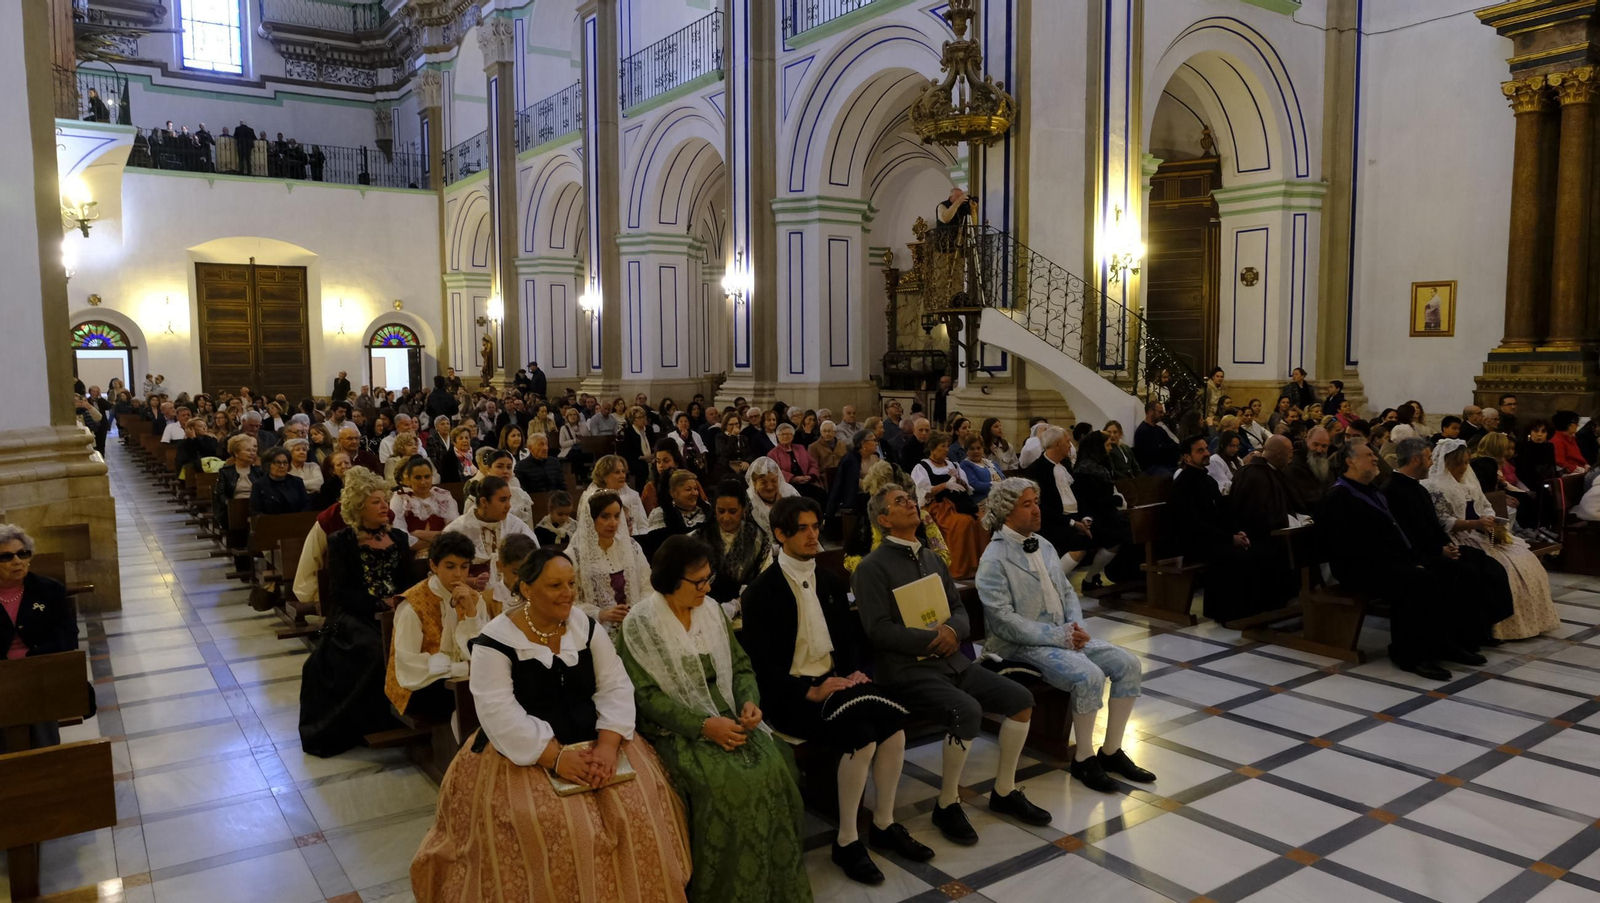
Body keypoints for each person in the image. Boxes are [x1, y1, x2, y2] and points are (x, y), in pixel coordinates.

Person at [410, 548, 693, 903]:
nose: (569, 592)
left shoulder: (585, 627)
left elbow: (615, 685)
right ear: (527, 590)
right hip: (526, 754)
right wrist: (556, 758)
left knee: (640, 812)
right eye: (555, 585)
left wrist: (607, 745)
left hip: (597, 743)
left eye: (571, 583)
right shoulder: (496, 641)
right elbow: (498, 712)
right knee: (567, 829)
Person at [740, 498, 932, 881]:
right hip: (790, 698)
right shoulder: (760, 592)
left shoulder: (829, 579)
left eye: (816, 526)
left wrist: (854, 673)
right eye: (804, 529)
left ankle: (883, 822)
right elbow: (760, 664)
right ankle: (846, 842)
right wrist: (806, 690)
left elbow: (847, 642)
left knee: (893, 728)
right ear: (780, 535)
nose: (814, 535)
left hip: (836, 685)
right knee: (861, 736)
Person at [614, 536, 812, 902]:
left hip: (729, 716)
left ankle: (776, 887)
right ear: (671, 581)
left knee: (776, 767)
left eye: (709, 578)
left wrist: (749, 703)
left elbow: (740, 666)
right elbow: (645, 696)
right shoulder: (640, 625)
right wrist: (704, 726)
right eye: (699, 582)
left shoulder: (712, 612)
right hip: (677, 730)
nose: (708, 587)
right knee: (726, 785)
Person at [852, 485, 1050, 843]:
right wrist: (933, 638)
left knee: (1021, 700)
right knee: (968, 711)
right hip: (907, 671)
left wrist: (951, 631)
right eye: (900, 502)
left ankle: (1004, 791)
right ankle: (947, 803)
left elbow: (958, 610)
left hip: (951, 662)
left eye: (910, 498)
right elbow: (877, 630)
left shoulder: (930, 559)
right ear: (884, 520)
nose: (911, 503)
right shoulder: (871, 568)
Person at [975, 479, 1156, 792]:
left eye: (1036, 502)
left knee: (1128, 663)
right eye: (1026, 504)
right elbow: (1004, 622)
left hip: (1062, 635)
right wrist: (1059, 635)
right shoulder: (994, 558)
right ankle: (1084, 759)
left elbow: (1067, 592)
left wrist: (1075, 627)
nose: (1036, 510)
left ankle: (1111, 752)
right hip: (1020, 646)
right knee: (1088, 675)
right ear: (1006, 513)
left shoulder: (1043, 544)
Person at [1318, 441, 1487, 681]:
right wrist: (1407, 563)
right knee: (1419, 579)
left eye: (1374, 454)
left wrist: (1417, 558)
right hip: (1358, 568)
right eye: (1369, 455)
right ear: (1350, 461)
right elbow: (1352, 547)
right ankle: (1409, 654)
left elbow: (1396, 535)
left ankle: (1445, 643)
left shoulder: (1371, 491)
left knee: (1453, 570)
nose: (1376, 458)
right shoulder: (1339, 497)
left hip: (1387, 561)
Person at [299, 468, 409, 756]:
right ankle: (368, 722)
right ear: (358, 507)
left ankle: (407, 714)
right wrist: (378, 604)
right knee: (371, 649)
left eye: (385, 500)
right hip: (353, 615)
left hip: (399, 611)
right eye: (376, 502)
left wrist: (400, 602)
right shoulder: (342, 541)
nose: (385, 506)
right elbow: (341, 591)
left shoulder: (398, 538)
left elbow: (409, 583)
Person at [1423, 439, 1559, 641]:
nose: (1464, 467)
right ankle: (1493, 628)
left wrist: (1491, 518)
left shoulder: (1469, 482)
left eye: (1467, 462)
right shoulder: (1432, 486)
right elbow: (1442, 521)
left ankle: (1531, 621)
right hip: (1457, 537)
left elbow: (1485, 505)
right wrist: (1474, 524)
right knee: (1503, 568)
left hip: (1480, 532)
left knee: (1524, 558)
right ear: (1446, 462)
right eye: (1459, 463)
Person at [1169, 435, 1294, 623]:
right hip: (1192, 542)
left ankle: (1262, 607)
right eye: (1200, 451)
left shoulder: (1208, 481)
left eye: (1206, 449)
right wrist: (1229, 539)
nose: (1207, 453)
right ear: (1187, 457)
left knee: (1260, 549)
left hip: (1212, 537)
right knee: (1238, 556)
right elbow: (1194, 523)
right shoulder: (1182, 485)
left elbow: (1222, 514)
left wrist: (1237, 532)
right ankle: (1228, 612)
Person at [385, 531, 498, 725]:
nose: (458, 574)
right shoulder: (413, 605)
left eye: (464, 567)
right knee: (467, 695)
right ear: (433, 566)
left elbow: (483, 651)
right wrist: (461, 668)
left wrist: (471, 612)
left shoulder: (473, 599)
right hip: (418, 683)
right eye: (450, 566)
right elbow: (408, 663)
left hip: (462, 677)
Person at [0, 525, 81, 748]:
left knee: (39, 707)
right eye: (6, 557)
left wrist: (35, 661)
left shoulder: (49, 590)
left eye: (22, 554)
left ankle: (45, 769)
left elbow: (68, 635)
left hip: (41, 674)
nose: (17, 561)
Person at [570, 491, 651, 632]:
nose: (613, 523)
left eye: (616, 516)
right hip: (596, 629)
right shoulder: (574, 555)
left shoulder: (631, 547)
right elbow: (570, 602)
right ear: (590, 518)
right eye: (605, 516)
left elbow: (647, 587)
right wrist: (600, 614)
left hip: (635, 624)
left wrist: (637, 612)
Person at [911, 430, 987, 579]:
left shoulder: (953, 465)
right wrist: (944, 485)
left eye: (947, 446)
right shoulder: (922, 467)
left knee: (981, 521)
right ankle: (958, 569)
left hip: (959, 504)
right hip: (937, 507)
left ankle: (979, 567)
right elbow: (923, 494)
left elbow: (967, 489)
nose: (946, 449)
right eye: (942, 446)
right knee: (960, 524)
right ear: (932, 448)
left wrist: (958, 479)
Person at [697, 480, 770, 620]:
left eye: (732, 511)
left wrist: (738, 604)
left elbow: (765, 581)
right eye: (721, 511)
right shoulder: (700, 537)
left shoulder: (758, 538)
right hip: (705, 613)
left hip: (749, 611)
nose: (726, 517)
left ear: (743, 510)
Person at [581, 455, 651, 537]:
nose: (622, 476)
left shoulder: (633, 495)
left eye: (623, 471)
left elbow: (643, 525)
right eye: (617, 472)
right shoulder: (593, 498)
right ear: (604, 475)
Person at [212, 433, 260, 536]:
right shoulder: (225, 472)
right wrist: (230, 505)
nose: (252, 453)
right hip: (234, 510)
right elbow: (220, 494)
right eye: (248, 450)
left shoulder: (259, 471)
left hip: (256, 508)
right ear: (236, 453)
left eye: (253, 450)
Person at [767, 423, 827, 505]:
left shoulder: (800, 448)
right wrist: (793, 478)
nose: (785, 436)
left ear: (793, 436)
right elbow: (774, 471)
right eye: (782, 434)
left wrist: (810, 476)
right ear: (777, 436)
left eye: (788, 434)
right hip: (788, 485)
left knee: (822, 496)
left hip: (807, 482)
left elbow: (813, 464)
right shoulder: (773, 453)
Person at [826, 428, 880, 519]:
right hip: (856, 495)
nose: (876, 443)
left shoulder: (875, 458)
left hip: (875, 490)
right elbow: (852, 482)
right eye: (874, 440)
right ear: (864, 444)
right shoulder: (851, 459)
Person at [646, 470, 710, 545]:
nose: (694, 493)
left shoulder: (707, 510)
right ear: (673, 493)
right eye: (688, 489)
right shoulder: (660, 514)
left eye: (695, 489)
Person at [745, 455, 798, 539]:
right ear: (754, 483)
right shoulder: (748, 501)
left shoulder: (790, 492)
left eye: (774, 481)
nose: (770, 487)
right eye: (763, 483)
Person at [251, 445, 310, 515]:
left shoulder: (297, 482)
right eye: (278, 463)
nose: (282, 466)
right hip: (270, 523)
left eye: (285, 463)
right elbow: (256, 511)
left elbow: (306, 506)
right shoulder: (259, 485)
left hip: (296, 522)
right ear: (268, 465)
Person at [1133, 402, 1180, 475]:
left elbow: (1173, 445)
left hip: (1165, 465)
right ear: (1151, 411)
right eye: (1160, 412)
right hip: (1151, 467)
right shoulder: (1142, 431)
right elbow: (1153, 454)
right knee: (1168, 475)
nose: (1162, 415)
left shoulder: (1159, 429)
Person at [959, 436, 1005, 503]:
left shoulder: (993, 464)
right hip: (982, 501)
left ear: (983, 449)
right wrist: (996, 485)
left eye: (978, 448)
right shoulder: (965, 465)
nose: (976, 451)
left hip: (1001, 498)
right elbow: (974, 485)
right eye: (972, 449)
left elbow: (1004, 479)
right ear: (966, 451)